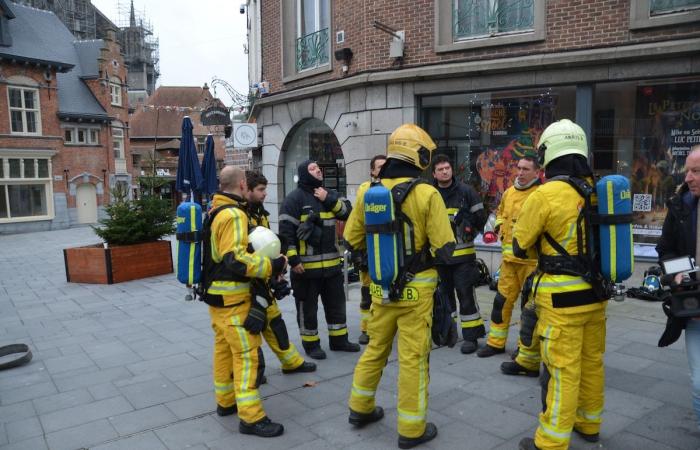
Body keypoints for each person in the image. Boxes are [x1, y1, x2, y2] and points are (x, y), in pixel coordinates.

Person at [344, 124, 455, 449]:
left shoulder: (368, 192)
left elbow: (350, 239)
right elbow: (445, 249)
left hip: (379, 290)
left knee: (375, 348)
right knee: (412, 359)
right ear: (418, 154)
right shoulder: (427, 193)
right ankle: (411, 429)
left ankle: (359, 408)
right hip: (417, 294)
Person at [514, 119, 608, 450]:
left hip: (559, 299)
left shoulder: (547, 193)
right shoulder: (597, 190)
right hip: (596, 295)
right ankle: (589, 422)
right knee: (592, 361)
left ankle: (551, 442)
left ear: (550, 153)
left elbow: (519, 244)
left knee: (562, 370)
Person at [202, 166, 287, 438]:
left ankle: (226, 402)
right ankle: (251, 418)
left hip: (217, 298)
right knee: (247, 357)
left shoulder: (214, 210)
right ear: (241, 184)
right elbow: (235, 259)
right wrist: (271, 266)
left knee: (224, 352)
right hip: (234, 299)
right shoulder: (234, 214)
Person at [279, 160, 360, 360]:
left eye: (318, 168)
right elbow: (286, 234)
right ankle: (311, 344)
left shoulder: (329, 194)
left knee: (336, 305)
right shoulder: (294, 199)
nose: (318, 170)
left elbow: (347, 212)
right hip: (305, 269)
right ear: (304, 173)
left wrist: (328, 198)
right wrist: (293, 259)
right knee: (307, 309)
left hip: (332, 266)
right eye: (313, 169)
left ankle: (339, 340)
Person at [245, 171, 316, 375]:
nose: (265, 194)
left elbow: (268, 245)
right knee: (253, 326)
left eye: (265, 189)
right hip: (249, 281)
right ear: (247, 189)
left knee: (275, 322)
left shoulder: (260, 213)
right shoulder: (240, 215)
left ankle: (291, 362)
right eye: (260, 190)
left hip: (265, 277)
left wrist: (278, 270)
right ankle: (256, 372)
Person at [477, 156, 542, 378]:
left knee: (528, 310)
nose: (520, 173)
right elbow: (500, 214)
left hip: (531, 264)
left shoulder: (540, 195)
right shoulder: (509, 193)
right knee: (501, 303)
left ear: (537, 172)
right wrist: (496, 228)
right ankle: (495, 342)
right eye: (519, 168)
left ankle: (525, 352)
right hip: (509, 263)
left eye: (526, 169)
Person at [657, 144, 700, 430]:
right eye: (687, 170)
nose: (688, 177)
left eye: (696, 171)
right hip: (694, 306)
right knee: (699, 382)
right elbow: (667, 249)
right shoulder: (680, 205)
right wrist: (677, 275)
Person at [432, 154, 488, 354]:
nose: (445, 171)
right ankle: (449, 333)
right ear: (434, 173)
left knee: (465, 296)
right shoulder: (430, 193)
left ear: (452, 170)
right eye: (440, 169)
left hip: (463, 258)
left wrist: (469, 223)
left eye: (447, 168)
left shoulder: (466, 192)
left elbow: (482, 218)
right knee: (444, 297)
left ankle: (471, 337)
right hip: (439, 258)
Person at [353, 154, 387, 345]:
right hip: (368, 248)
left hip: (388, 248)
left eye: (386, 166)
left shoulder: (394, 187)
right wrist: (356, 248)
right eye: (379, 167)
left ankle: (385, 326)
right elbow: (357, 220)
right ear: (372, 171)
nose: (382, 170)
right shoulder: (365, 189)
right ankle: (366, 329)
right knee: (367, 292)